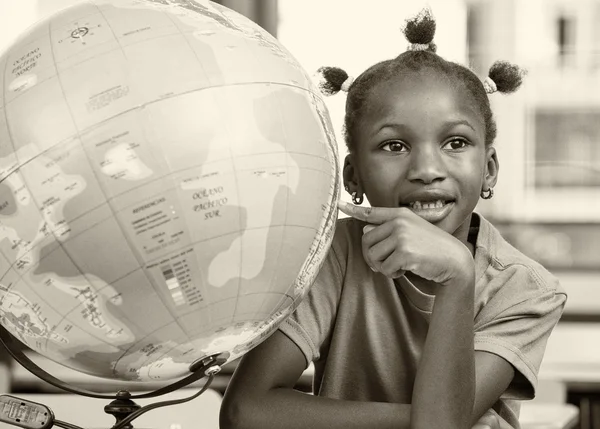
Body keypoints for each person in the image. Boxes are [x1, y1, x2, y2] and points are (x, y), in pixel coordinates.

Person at [220, 9, 567, 429]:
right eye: (394, 146)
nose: (426, 168)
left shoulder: (525, 290)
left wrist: (458, 274)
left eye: (455, 142)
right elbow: (245, 413)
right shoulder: (333, 256)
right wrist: (425, 420)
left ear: (489, 168)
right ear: (354, 176)